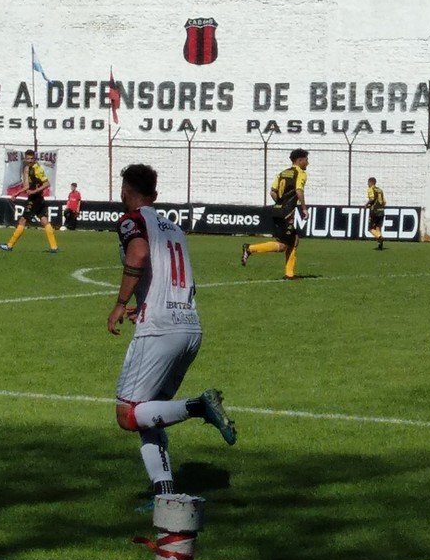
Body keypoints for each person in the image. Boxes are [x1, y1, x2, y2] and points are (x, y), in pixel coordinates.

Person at [107, 163, 236, 498]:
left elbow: (137, 251)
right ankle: (164, 495)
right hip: (189, 327)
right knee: (151, 415)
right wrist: (144, 302)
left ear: (124, 191)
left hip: (160, 330)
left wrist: (121, 303)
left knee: (128, 414)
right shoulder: (175, 229)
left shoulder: (132, 220)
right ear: (156, 194)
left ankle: (198, 406)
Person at [241, 148, 308, 280]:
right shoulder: (300, 173)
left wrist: (280, 203)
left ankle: (289, 274)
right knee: (285, 245)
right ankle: (249, 248)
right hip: (286, 213)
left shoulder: (282, 173)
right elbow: (299, 190)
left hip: (277, 210)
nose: (307, 163)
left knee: (293, 241)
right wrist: (304, 208)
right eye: (306, 160)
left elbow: (272, 191)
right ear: (299, 160)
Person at [0, 149, 58, 253]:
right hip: (36, 198)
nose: (30, 160)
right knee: (44, 220)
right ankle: (54, 247)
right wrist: (17, 193)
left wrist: (34, 191)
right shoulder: (28, 169)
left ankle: (9, 245)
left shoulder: (37, 169)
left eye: (31, 158)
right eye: (28, 158)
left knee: (23, 220)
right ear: (25, 158)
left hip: (35, 199)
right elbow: (27, 186)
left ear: (34, 158)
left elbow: (47, 183)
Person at [364, 176, 386, 250]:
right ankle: (380, 244)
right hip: (382, 211)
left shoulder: (371, 189)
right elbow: (384, 202)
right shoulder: (380, 190)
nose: (368, 184)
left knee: (370, 228)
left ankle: (380, 238)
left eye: (368, 183)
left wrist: (367, 205)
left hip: (375, 211)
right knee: (378, 228)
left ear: (371, 182)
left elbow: (372, 198)